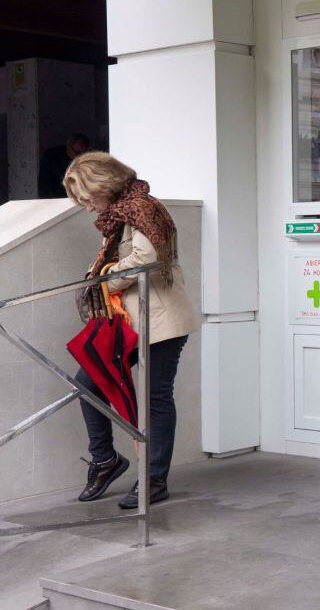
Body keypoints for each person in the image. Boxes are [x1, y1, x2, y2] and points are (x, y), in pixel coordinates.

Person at [63, 152, 198, 509]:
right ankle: (106, 460)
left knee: (154, 397)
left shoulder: (142, 208)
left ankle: (154, 480)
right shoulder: (121, 214)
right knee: (88, 382)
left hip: (161, 320)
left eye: (87, 197)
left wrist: (107, 276)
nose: (87, 206)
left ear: (102, 185)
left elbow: (149, 261)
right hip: (128, 322)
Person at [39, 133, 90, 198]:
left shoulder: (85, 158)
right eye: (76, 152)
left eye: (82, 152)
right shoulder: (51, 156)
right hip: (54, 197)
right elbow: (44, 183)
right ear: (68, 145)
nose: (77, 156)